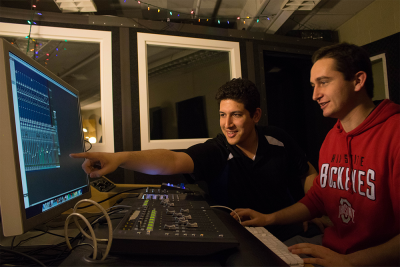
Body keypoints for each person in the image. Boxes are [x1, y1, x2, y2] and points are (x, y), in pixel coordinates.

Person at [70, 78, 318, 241]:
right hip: (247, 241)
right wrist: (120, 158)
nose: (227, 124)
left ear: (255, 115)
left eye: (236, 115)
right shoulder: (217, 150)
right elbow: (172, 160)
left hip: (293, 231)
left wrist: (309, 211)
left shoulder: (278, 138)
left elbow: (307, 172)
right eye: (222, 115)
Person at [232, 43, 400, 267]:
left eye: (324, 82)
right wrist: (268, 218)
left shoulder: (395, 133)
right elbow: (318, 198)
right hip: (332, 249)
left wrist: (349, 262)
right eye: (313, 85)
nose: (314, 95)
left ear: (358, 80)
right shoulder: (332, 138)